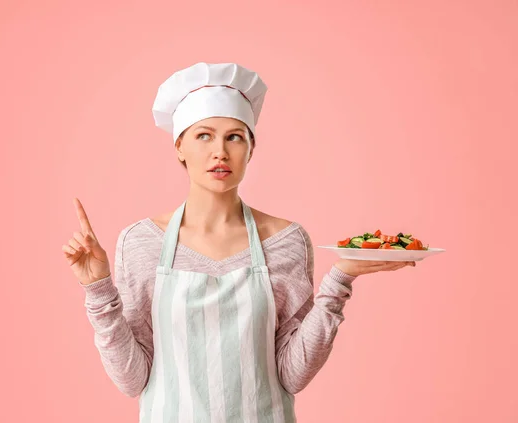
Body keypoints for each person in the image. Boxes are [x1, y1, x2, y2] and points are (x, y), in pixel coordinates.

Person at [62, 62, 416, 423]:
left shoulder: (287, 241)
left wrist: (340, 278)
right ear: (179, 146)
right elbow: (132, 379)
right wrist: (98, 288)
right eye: (204, 136)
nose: (220, 152)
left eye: (234, 136)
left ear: (250, 149)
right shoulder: (140, 242)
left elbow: (292, 376)